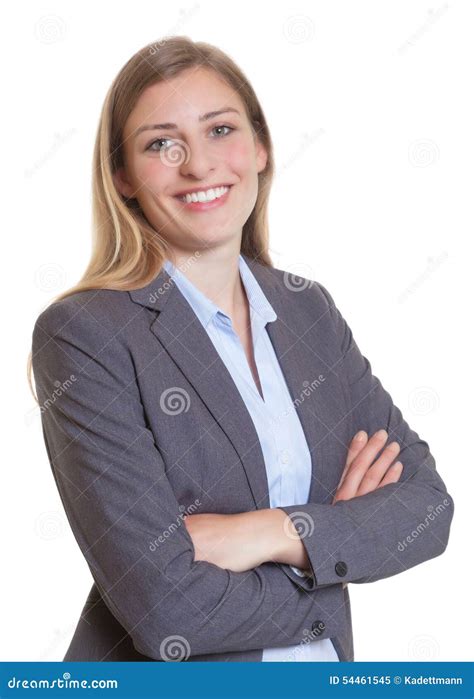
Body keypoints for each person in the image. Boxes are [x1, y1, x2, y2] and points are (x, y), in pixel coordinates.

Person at [29, 36, 454, 662]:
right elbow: (165, 605)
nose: (199, 165)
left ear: (260, 149)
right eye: (160, 143)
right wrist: (335, 555)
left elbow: (425, 507)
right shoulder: (86, 335)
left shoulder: (307, 309)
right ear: (122, 176)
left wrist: (271, 532)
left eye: (220, 130)